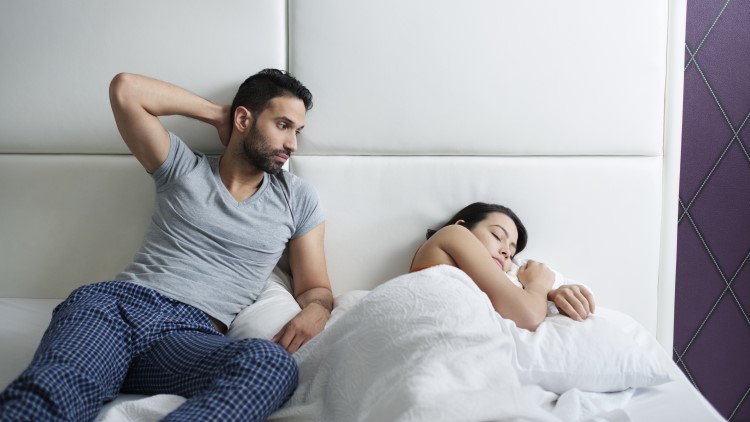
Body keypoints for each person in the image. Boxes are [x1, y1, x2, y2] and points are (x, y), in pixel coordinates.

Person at [0, 69, 333, 421]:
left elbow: (315, 288)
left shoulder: (297, 197)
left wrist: (318, 309)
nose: (292, 144)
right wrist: (217, 113)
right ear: (243, 119)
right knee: (51, 392)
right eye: (282, 125)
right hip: (116, 310)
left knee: (270, 364)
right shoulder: (182, 167)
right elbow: (126, 90)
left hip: (188, 335)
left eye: (297, 131)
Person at [409, 202, 595, 331]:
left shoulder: (474, 287)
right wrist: (538, 286)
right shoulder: (454, 233)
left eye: (512, 252)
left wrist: (551, 296)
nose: (506, 252)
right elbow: (528, 316)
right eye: (497, 236)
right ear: (463, 226)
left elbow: (510, 300)